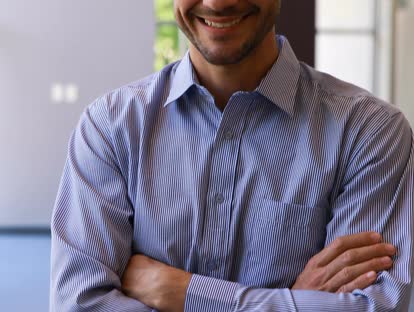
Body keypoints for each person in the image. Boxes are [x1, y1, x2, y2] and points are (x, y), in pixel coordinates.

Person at [50, 0, 414, 311]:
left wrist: (180, 292)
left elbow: (374, 305)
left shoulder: (369, 133)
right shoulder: (110, 128)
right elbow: (79, 303)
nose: (218, 2)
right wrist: (289, 301)